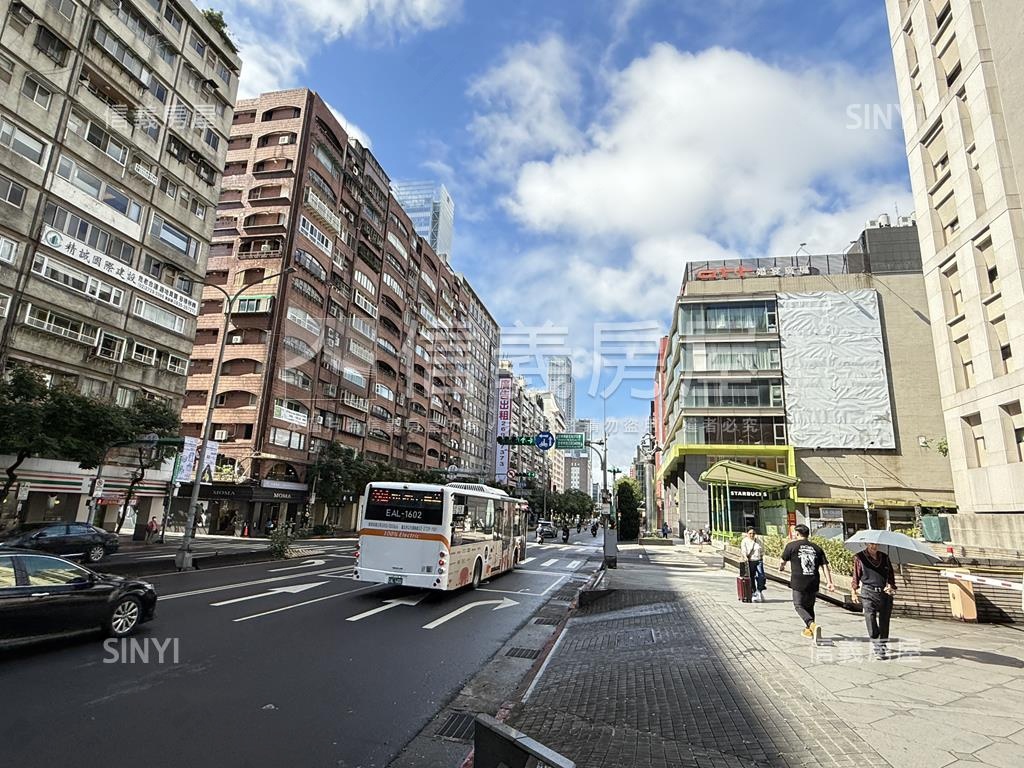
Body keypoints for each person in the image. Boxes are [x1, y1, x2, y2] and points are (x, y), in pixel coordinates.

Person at [779, 524, 835, 642]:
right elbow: (825, 566)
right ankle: (809, 630)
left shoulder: (791, 546)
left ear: (797, 533)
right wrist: (829, 582)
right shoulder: (817, 548)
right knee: (809, 606)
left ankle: (812, 625)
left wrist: (781, 567)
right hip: (813, 581)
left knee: (798, 605)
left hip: (798, 581)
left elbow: (782, 561)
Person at [850, 542, 897, 658]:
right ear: (866, 544)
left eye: (876, 544)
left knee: (885, 619)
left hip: (884, 592)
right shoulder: (860, 557)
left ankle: (882, 642)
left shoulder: (884, 557)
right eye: (871, 544)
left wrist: (891, 586)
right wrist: (854, 591)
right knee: (870, 616)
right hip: (868, 591)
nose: (874, 546)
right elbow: (856, 575)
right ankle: (876, 643)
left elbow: (890, 574)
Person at [740, 528, 767, 601]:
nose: (752, 535)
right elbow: (743, 550)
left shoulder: (758, 541)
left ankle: (759, 590)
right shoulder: (744, 541)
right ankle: (753, 591)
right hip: (750, 561)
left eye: (753, 533)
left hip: (758, 560)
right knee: (751, 576)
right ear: (747, 534)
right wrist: (745, 557)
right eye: (750, 533)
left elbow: (762, 550)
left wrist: (761, 557)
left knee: (761, 575)